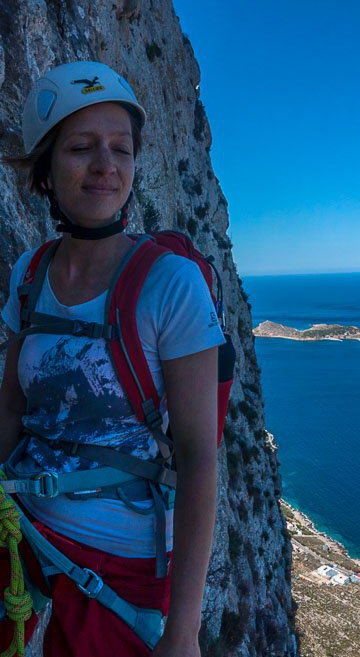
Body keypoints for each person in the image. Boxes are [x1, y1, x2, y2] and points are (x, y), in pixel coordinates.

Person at [0, 61, 222, 656]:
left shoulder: (168, 284)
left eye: (121, 149)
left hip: (117, 565)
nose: (106, 166)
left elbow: (201, 456)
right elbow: (10, 412)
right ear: (44, 169)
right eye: (82, 147)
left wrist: (183, 630)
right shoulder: (29, 275)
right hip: (21, 526)